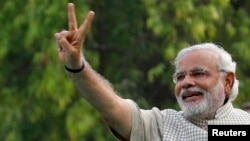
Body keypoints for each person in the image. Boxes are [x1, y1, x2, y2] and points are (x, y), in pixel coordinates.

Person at [54, 3, 250, 141]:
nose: (186, 82)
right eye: (180, 77)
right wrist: (76, 65)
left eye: (199, 74)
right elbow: (111, 107)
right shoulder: (160, 126)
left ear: (227, 81)